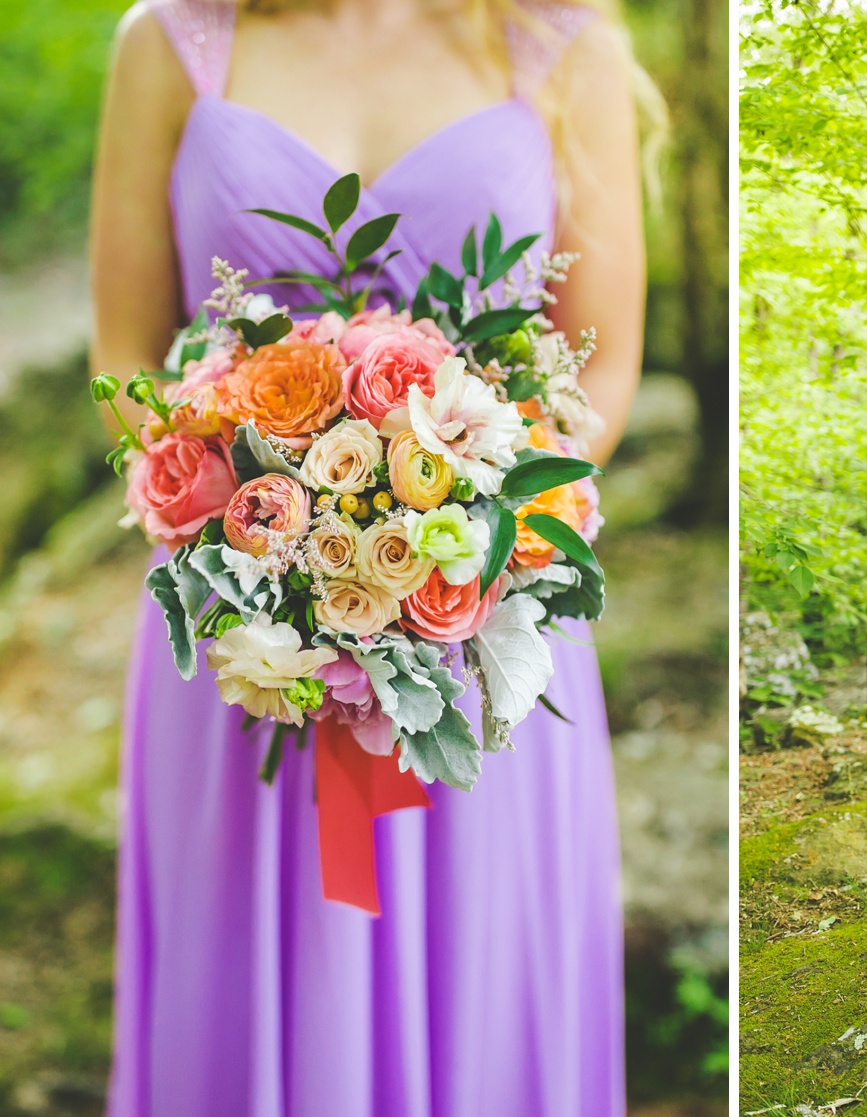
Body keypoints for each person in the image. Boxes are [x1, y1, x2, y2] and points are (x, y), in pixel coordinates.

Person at [89, 0, 649, 1111]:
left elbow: (611, 363)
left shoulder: (563, 41)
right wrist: (260, 540)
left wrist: (473, 541)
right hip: (241, 638)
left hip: (483, 627)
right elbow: (122, 351)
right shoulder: (169, 42)